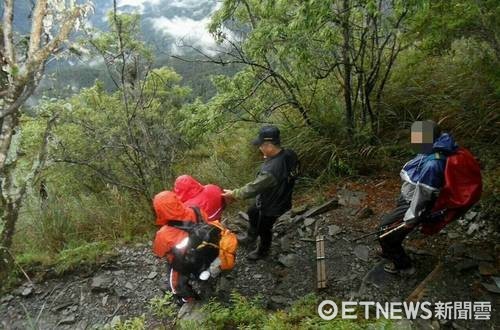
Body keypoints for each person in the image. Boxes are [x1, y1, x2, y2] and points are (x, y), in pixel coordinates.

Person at [378, 120, 458, 275]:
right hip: (408, 196)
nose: (413, 141)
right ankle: (390, 251)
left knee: (385, 232)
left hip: (413, 203)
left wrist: (411, 219)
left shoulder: (433, 164)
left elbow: (424, 196)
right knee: (391, 230)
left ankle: (404, 266)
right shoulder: (432, 148)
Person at [223, 125, 299, 260]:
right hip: (279, 196)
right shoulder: (289, 154)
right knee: (252, 211)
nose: (259, 148)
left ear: (269, 145)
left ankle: (263, 251)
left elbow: (253, 188)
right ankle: (251, 237)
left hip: (273, 205)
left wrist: (234, 194)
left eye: (261, 145)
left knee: (265, 228)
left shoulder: (271, 171)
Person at [152, 191, 219, 304]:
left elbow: (159, 252)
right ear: (177, 200)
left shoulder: (163, 234)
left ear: (159, 211)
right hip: (207, 252)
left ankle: (185, 298)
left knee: (176, 281)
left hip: (185, 264)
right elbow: (207, 224)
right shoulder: (196, 210)